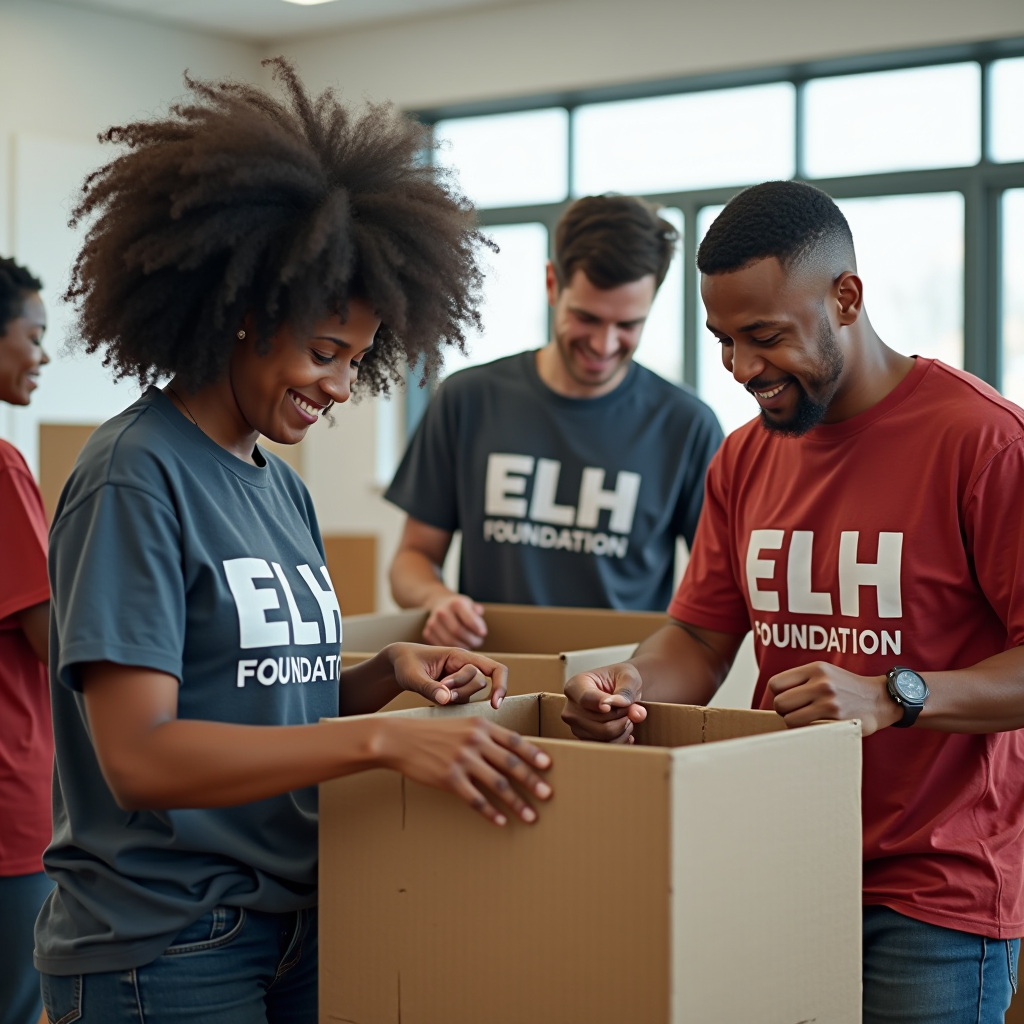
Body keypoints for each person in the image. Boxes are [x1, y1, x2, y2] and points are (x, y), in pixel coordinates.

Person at [35, 59, 552, 1024]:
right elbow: (141, 757)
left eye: (359, 360)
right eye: (325, 354)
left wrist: (385, 671)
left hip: (297, 925)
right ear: (242, 316)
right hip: (165, 946)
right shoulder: (135, 474)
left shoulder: (277, 485)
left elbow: (269, 695)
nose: (343, 388)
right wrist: (381, 741)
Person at [561, 180, 1024, 1023]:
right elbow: (699, 642)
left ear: (846, 297)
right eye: (724, 341)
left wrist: (895, 695)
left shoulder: (982, 442)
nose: (742, 370)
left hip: (934, 890)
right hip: (777, 853)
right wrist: (628, 685)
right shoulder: (743, 460)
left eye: (765, 337)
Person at [386, 194, 724, 649]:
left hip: (620, 695)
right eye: (587, 318)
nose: (605, 345)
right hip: (487, 687)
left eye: (627, 324)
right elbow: (412, 557)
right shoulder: (468, 400)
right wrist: (436, 599)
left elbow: (718, 590)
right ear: (552, 283)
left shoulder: (686, 426)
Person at [0, 257, 51, 1024]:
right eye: (35, 335)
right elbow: (59, 639)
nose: (43, 354)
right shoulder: (3, 466)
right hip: (10, 805)